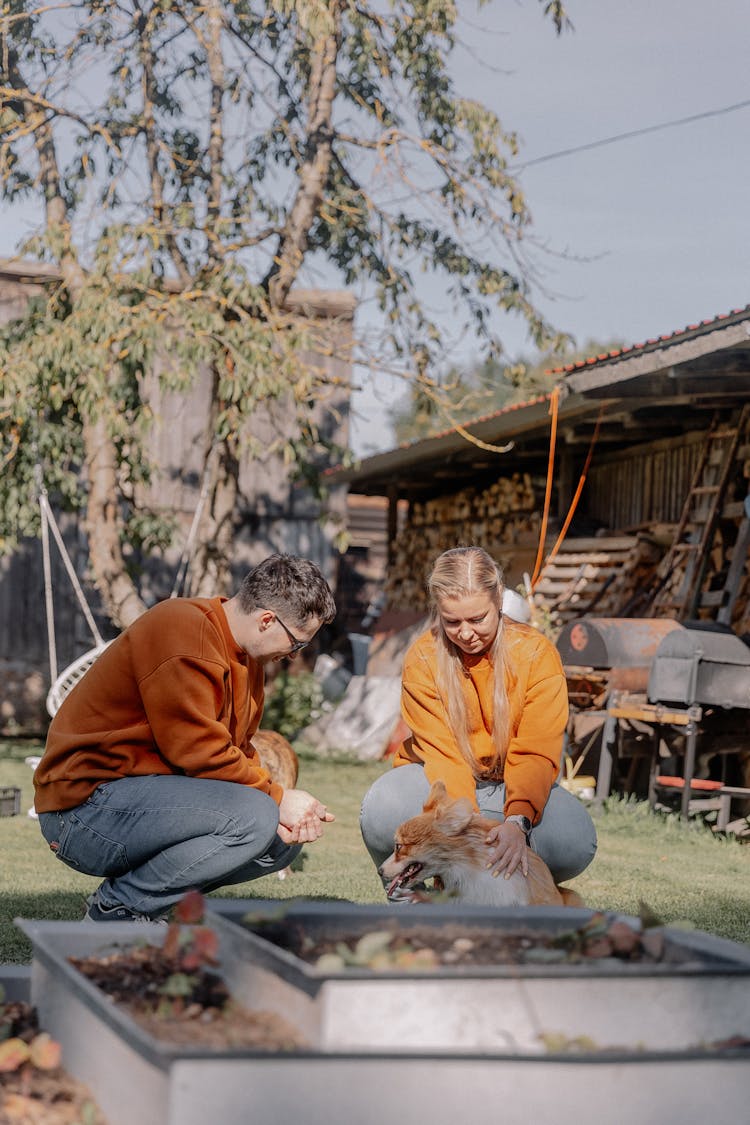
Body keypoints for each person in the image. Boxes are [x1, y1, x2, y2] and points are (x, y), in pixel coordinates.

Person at [34, 553, 337, 922]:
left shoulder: (247, 661)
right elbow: (196, 752)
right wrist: (276, 796)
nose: (293, 656)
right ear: (267, 620)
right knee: (258, 815)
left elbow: (236, 750)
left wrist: (281, 805)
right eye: (298, 644)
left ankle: (150, 906)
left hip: (136, 798)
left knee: (281, 842)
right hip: (82, 810)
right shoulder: (183, 629)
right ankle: (116, 909)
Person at [360, 546, 596, 898]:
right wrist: (457, 830)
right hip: (445, 787)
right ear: (437, 610)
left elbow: (536, 750)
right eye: (452, 621)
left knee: (574, 839)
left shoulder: (536, 654)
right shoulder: (423, 657)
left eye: (478, 619)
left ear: (499, 599)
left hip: (510, 787)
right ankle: (409, 899)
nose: (466, 633)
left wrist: (517, 822)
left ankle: (519, 893)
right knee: (383, 808)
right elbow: (444, 758)